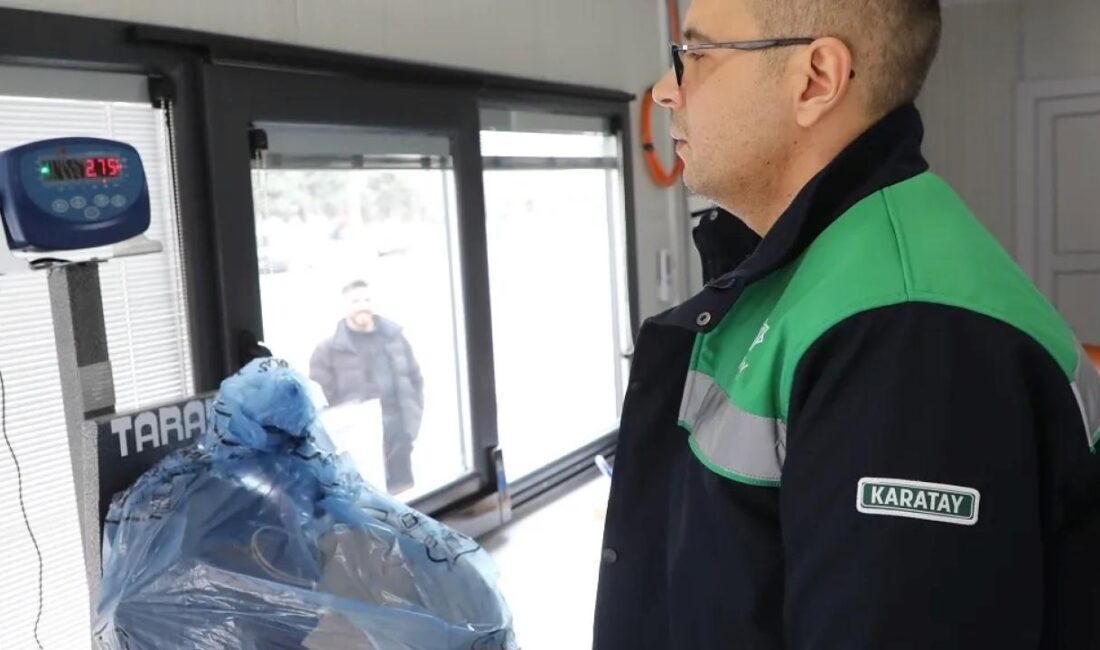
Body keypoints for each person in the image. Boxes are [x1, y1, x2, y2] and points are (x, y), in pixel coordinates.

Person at [594, 1, 1100, 648]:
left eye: (697, 55)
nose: (666, 91)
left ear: (815, 81)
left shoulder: (909, 336)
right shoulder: (811, 266)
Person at [310, 280, 424, 494]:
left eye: (367, 299)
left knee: (406, 502)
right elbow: (319, 406)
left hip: (399, 440)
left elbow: (416, 381)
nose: (363, 305)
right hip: (357, 448)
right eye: (356, 301)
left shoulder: (395, 339)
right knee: (369, 509)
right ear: (344, 307)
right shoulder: (327, 351)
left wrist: (411, 426)